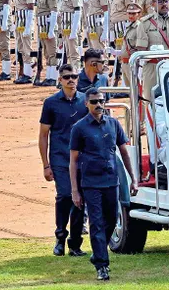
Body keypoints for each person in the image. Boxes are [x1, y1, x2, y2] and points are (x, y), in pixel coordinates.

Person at [69, 88, 137, 281]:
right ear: (86, 104)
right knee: (96, 223)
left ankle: (98, 252)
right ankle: (102, 265)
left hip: (111, 180)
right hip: (90, 183)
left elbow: (124, 152)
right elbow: (73, 161)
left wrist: (133, 178)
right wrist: (75, 190)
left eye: (101, 101)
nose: (98, 105)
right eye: (94, 102)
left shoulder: (114, 124)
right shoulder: (79, 128)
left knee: (112, 220)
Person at [38, 64, 88, 258]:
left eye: (74, 76)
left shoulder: (84, 100)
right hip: (60, 158)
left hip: (83, 158)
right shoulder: (51, 103)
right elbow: (43, 135)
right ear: (60, 80)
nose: (71, 80)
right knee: (65, 195)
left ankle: (75, 243)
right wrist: (45, 165)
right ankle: (60, 236)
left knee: (80, 200)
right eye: (66, 77)